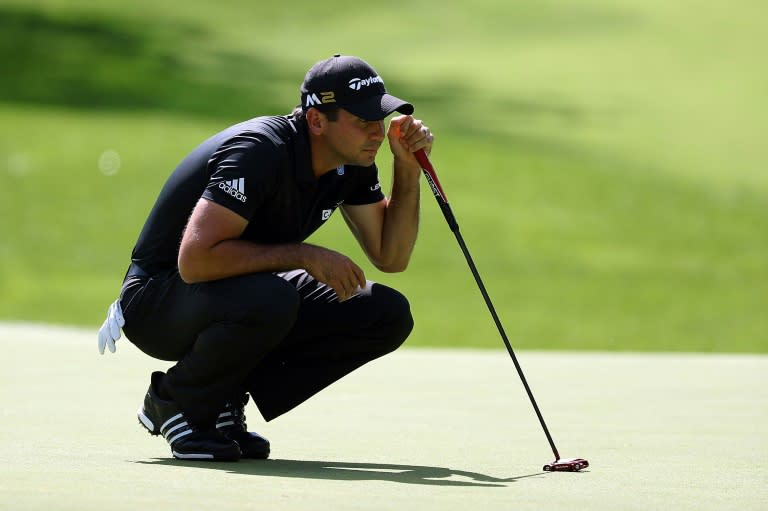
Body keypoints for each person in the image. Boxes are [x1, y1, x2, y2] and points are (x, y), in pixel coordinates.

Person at [96, 54, 434, 461]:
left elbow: (390, 255)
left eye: (378, 120)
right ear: (316, 121)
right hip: (158, 300)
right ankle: (177, 401)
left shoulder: (352, 162)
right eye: (362, 120)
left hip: (232, 292)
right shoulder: (261, 151)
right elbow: (195, 260)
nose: (376, 133)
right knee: (272, 299)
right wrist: (305, 255)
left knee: (384, 313)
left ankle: (222, 397)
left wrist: (407, 168)